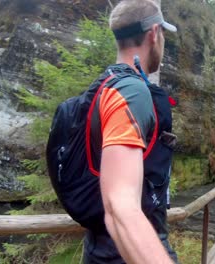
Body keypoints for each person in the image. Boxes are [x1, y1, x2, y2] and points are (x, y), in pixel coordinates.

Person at [83, 0, 178, 263]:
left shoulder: (103, 85)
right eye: (162, 35)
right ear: (153, 34)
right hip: (125, 252)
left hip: (98, 247)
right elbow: (119, 208)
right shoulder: (132, 94)